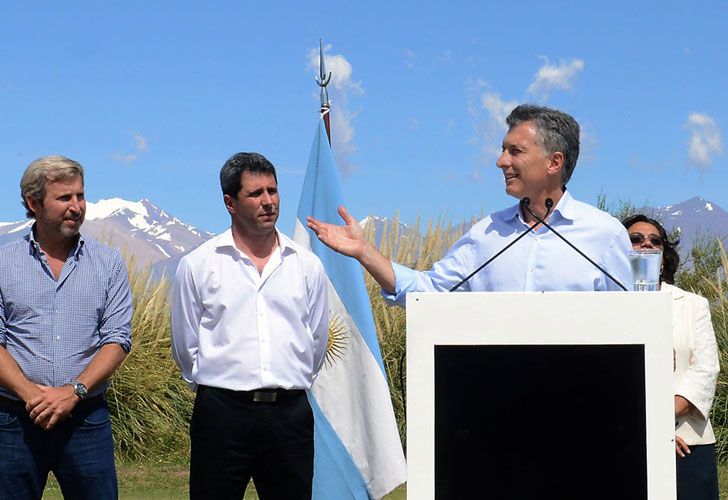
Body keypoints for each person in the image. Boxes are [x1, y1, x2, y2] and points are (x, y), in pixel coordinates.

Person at [307, 104, 633, 299]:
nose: (501, 161)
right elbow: (429, 293)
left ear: (554, 162)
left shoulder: (604, 234)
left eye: (515, 151)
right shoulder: (486, 234)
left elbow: (633, 326)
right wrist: (365, 252)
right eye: (503, 150)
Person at [171, 152, 329, 499]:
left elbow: (316, 341)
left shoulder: (307, 265)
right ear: (230, 202)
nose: (268, 201)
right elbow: (185, 345)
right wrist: (218, 383)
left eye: (273, 191)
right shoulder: (198, 265)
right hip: (222, 415)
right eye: (255, 193)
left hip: (290, 414)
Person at [0, 156, 133, 499]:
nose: (77, 207)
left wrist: (73, 392)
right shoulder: (3, 264)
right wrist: (33, 395)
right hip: (15, 420)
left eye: (80, 196)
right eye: (64, 198)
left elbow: (117, 338)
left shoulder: (108, 263)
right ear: (33, 203)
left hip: (86, 419)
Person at [623, 214, 719, 499]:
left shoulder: (692, 305)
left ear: (664, 257)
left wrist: (659, 421)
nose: (646, 246)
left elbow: (704, 371)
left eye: (655, 241)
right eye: (636, 240)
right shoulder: (605, 307)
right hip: (627, 440)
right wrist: (645, 430)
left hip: (688, 441)